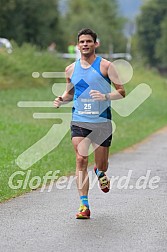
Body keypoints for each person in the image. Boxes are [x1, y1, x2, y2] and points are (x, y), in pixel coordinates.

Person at [54, 28, 125, 219]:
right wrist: (62, 99)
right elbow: (70, 93)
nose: (85, 44)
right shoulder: (70, 69)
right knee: (80, 159)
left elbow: (121, 92)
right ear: (78, 45)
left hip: (102, 121)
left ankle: (100, 172)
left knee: (102, 164)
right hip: (80, 120)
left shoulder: (106, 66)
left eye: (89, 41)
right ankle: (84, 205)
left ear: (96, 44)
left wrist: (105, 96)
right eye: (82, 42)